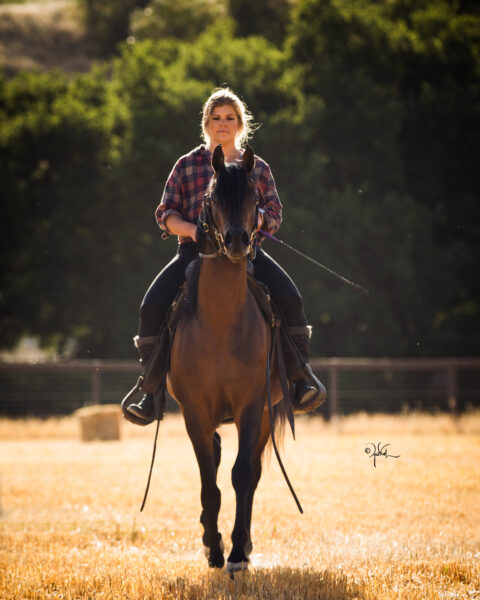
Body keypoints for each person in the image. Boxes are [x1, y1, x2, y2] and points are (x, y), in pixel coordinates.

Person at [126, 88, 325, 422]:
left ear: (240, 123)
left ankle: (300, 379)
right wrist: (192, 231)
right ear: (206, 123)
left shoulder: (257, 167)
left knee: (291, 298)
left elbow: (274, 212)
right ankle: (151, 391)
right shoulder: (186, 165)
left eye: (229, 118)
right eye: (216, 117)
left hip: (247, 252)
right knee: (150, 306)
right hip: (194, 254)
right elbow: (165, 213)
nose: (223, 123)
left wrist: (256, 222)